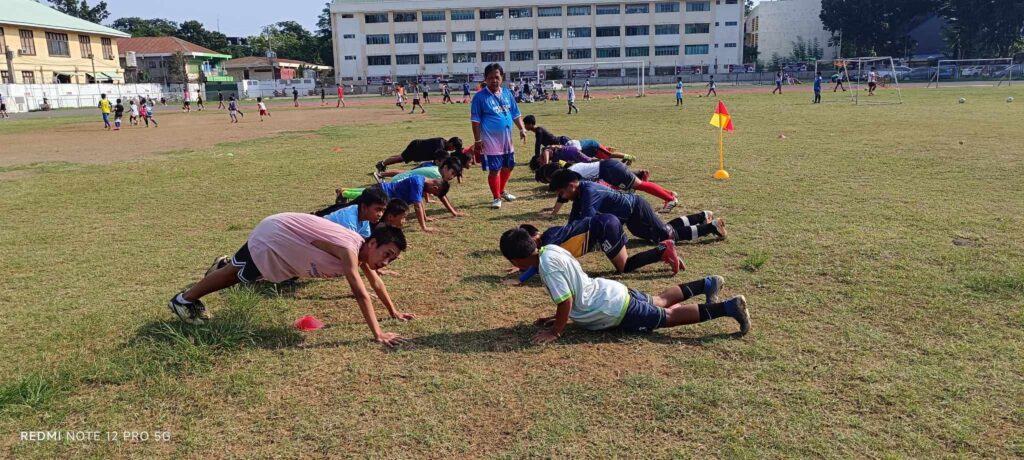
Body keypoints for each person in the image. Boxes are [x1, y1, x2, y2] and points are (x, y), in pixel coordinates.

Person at [168, 213, 412, 347]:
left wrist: (394, 312)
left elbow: (376, 283)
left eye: (392, 260)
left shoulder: (362, 253)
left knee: (241, 273)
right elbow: (360, 293)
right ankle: (183, 300)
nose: (385, 263)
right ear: (372, 243)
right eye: (386, 254)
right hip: (276, 234)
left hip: (282, 242)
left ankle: (221, 267)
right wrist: (378, 333)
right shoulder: (349, 248)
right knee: (234, 277)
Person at [499, 229, 751, 344]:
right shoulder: (550, 250)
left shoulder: (547, 268)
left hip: (613, 309)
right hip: (611, 291)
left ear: (516, 260)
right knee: (660, 300)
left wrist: (556, 330)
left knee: (668, 316)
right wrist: (555, 318)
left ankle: (729, 308)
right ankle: (708, 283)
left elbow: (566, 300)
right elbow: (573, 289)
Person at [548, 170, 725, 244]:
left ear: (571, 185)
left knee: (668, 235)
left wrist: (562, 239)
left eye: (561, 192)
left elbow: (585, 221)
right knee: (658, 235)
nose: (562, 197)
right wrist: (560, 239)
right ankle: (701, 216)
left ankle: (712, 226)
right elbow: (573, 220)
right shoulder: (579, 194)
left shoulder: (588, 191)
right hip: (630, 217)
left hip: (636, 208)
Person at [506, 218, 683, 286]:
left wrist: (521, 278)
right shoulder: (547, 238)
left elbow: (539, 264)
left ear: (536, 237)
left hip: (604, 227)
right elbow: (535, 261)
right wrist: (522, 266)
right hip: (606, 222)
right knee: (625, 263)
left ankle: (662, 250)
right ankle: (663, 250)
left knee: (624, 267)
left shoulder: (549, 240)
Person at [471, 63, 528, 209]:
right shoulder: (479, 97)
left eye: (497, 77)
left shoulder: (508, 94)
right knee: (495, 169)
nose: (494, 80)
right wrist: (477, 140)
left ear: (502, 77)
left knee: (509, 166)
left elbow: (516, 114)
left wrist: (522, 129)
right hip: (490, 141)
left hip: (507, 141)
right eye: (490, 78)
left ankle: (502, 191)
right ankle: (496, 197)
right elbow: (475, 120)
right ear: (485, 79)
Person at [536, 160, 678, 213]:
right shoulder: (571, 169)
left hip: (610, 170)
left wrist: (554, 212)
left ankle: (669, 198)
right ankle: (670, 194)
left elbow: (563, 196)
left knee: (640, 185)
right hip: (609, 168)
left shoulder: (571, 174)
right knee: (641, 185)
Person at [331, 176, 453, 234]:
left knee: (372, 219)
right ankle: (329, 212)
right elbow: (417, 206)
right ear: (435, 187)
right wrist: (424, 227)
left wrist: (425, 218)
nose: (432, 193)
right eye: (434, 192)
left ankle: (343, 194)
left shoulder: (422, 183)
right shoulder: (418, 183)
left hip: (385, 196)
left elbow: (420, 204)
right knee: (353, 207)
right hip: (382, 193)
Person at [321, 188, 389, 238]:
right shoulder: (349, 220)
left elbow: (365, 240)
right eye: (378, 209)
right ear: (364, 207)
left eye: (383, 210)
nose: (380, 214)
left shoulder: (363, 217)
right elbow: (348, 248)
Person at [375, 137, 462, 172]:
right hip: (417, 147)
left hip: (418, 148)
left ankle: (383, 162)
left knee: (401, 157)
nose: (452, 149)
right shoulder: (440, 144)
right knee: (401, 158)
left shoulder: (444, 145)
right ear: (451, 143)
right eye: (453, 147)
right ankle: (382, 164)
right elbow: (438, 158)